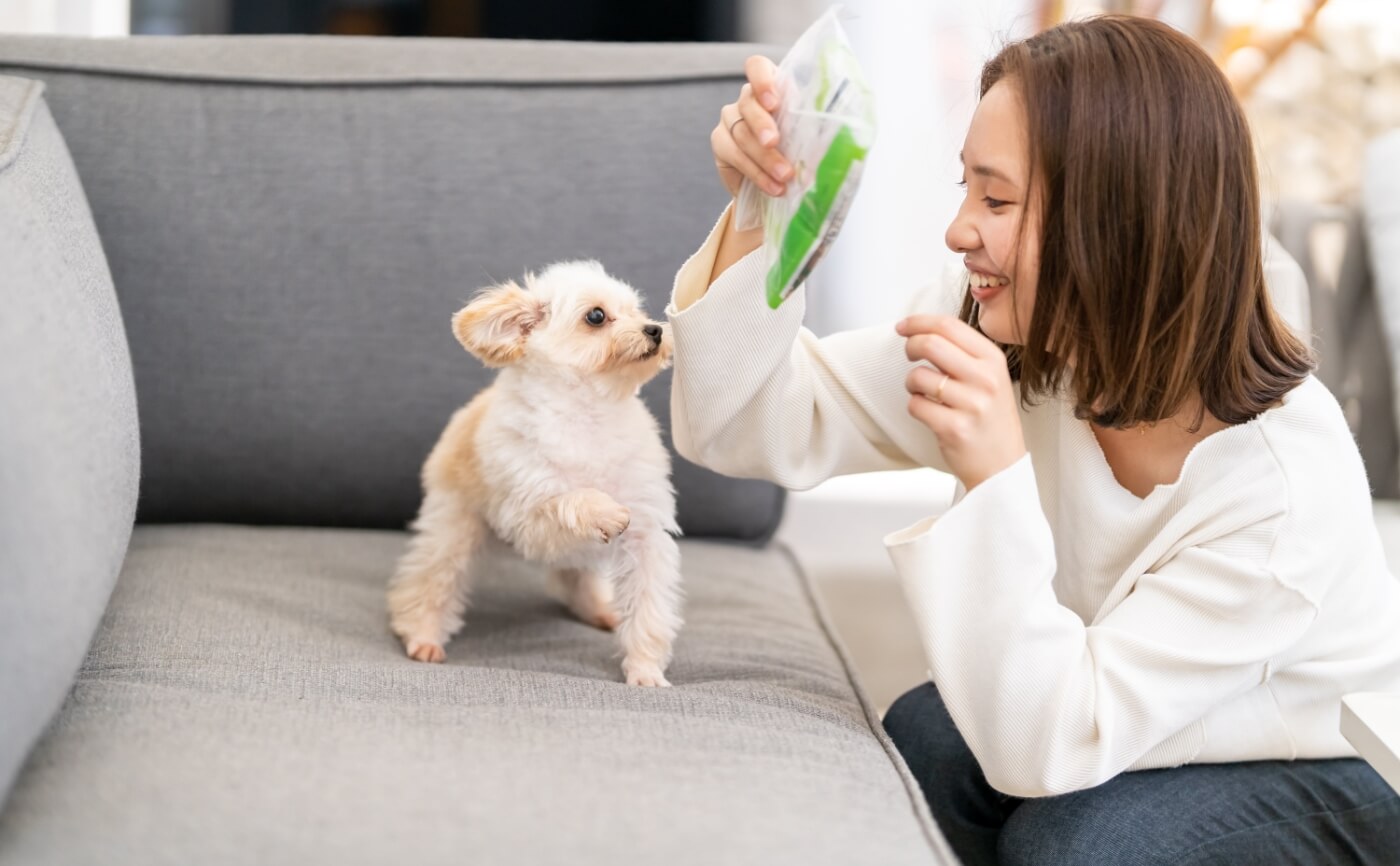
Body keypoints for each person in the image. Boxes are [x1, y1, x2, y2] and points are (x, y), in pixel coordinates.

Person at [666, 14, 1400, 866]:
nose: (958, 230)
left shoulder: (1279, 490)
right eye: (965, 188)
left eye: (997, 198)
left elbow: (1047, 744)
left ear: (1115, 220)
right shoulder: (1013, 332)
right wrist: (761, 205)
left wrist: (993, 471)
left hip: (1324, 762)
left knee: (1080, 845)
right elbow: (740, 424)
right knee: (928, 739)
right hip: (1109, 710)